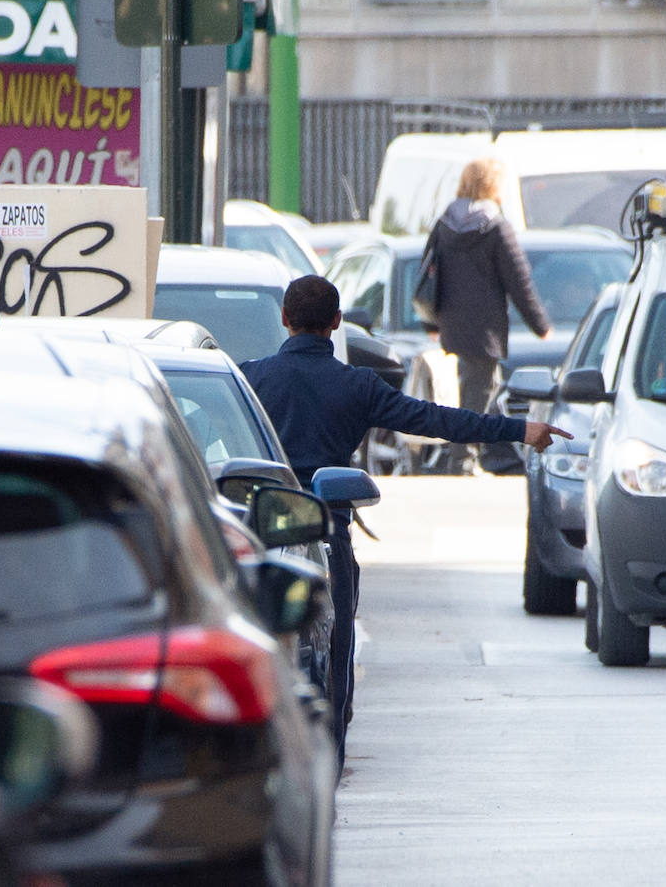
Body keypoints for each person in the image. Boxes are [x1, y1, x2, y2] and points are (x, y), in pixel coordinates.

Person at [240, 275, 571, 771]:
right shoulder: (357, 387)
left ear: (284, 320)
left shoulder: (249, 381)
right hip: (327, 530)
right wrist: (520, 429)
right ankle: (329, 745)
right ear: (336, 324)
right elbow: (438, 420)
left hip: (263, 528)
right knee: (337, 644)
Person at [424, 157, 554, 475]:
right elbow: (518, 279)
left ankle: (473, 454)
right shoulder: (495, 226)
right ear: (493, 186)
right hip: (484, 326)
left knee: (478, 388)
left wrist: (431, 321)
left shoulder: (444, 222)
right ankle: (463, 459)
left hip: (452, 323)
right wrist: (540, 325)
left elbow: (429, 272)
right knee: (479, 391)